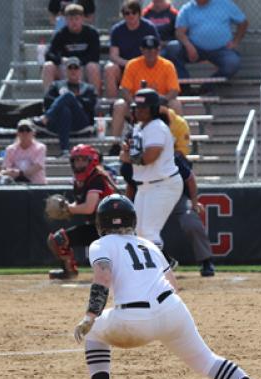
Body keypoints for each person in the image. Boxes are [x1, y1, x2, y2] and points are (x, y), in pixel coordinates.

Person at [72, 194, 261, 379]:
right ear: (132, 220)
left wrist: (90, 315)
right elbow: (173, 284)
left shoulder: (100, 244)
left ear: (101, 222)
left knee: (94, 332)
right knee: (207, 360)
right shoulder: (148, 244)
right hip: (172, 309)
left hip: (133, 320)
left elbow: (102, 278)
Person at [119, 88, 183, 250]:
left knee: (149, 232)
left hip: (163, 184)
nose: (139, 111)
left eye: (143, 107)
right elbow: (128, 153)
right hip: (146, 185)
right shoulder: (140, 127)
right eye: (137, 107)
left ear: (153, 109)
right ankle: (163, 264)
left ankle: (160, 270)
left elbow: (149, 157)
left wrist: (129, 157)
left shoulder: (157, 127)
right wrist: (127, 152)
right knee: (139, 232)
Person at [47, 144, 116, 280]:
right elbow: (80, 204)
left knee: (105, 266)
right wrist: (67, 206)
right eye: (76, 160)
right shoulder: (80, 180)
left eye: (83, 159)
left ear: (92, 161)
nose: (79, 163)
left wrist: (67, 208)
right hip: (95, 227)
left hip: (111, 229)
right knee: (57, 240)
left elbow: (89, 207)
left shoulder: (97, 178)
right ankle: (69, 272)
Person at [109, 34, 182, 155]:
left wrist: (163, 100)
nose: (151, 53)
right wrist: (133, 103)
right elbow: (124, 89)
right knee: (119, 105)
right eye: (147, 50)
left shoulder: (167, 65)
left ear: (159, 50)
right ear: (142, 50)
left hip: (160, 107)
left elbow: (174, 90)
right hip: (137, 107)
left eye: (154, 49)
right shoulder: (132, 64)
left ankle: (177, 144)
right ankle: (115, 144)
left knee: (176, 103)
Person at [165, 0, 248, 94]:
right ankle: (184, 87)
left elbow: (243, 22)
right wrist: (188, 46)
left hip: (221, 50)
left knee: (233, 62)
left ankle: (207, 87)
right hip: (196, 49)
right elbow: (179, 32)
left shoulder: (225, 4)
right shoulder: (187, 9)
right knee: (172, 48)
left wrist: (235, 42)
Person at [33, 56, 97, 157]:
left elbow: (90, 105)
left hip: (80, 121)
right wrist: (64, 102)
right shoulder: (56, 85)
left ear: (80, 70)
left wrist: (74, 99)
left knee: (68, 95)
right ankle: (65, 150)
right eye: (70, 68)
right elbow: (47, 102)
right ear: (65, 71)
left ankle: (45, 119)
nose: (73, 71)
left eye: (75, 68)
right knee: (65, 110)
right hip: (59, 122)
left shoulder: (88, 88)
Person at [104, 1, 159, 99]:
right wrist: (129, 64)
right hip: (124, 67)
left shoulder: (149, 28)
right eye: (127, 13)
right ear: (123, 15)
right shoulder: (116, 30)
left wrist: (138, 64)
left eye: (134, 12)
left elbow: (155, 51)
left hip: (145, 65)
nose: (131, 15)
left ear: (139, 14)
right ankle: (111, 104)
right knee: (109, 69)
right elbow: (113, 55)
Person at [42, 4, 101, 95]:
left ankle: (94, 99)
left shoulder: (91, 33)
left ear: (82, 19)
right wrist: (62, 59)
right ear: (66, 20)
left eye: (77, 19)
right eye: (71, 19)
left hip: (83, 66)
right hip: (65, 68)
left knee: (92, 66)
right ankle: (49, 99)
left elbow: (95, 55)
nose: (74, 22)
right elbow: (49, 54)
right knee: (48, 66)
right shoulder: (61, 34)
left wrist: (78, 62)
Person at [1, 119, 47, 184]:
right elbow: (6, 168)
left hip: (37, 185)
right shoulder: (10, 149)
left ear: (33, 132)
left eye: (28, 130)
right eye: (21, 130)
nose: (24, 133)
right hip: (15, 186)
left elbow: (38, 166)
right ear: (17, 133)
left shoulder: (40, 148)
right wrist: (10, 172)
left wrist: (19, 173)